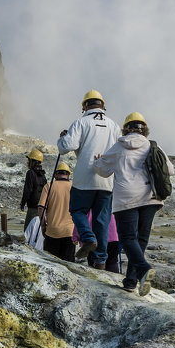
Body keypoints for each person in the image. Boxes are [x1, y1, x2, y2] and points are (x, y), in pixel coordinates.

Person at [94, 112, 173, 295]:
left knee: (128, 239)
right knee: (141, 239)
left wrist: (97, 161)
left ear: (126, 128)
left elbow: (103, 171)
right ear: (144, 128)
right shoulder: (153, 146)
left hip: (126, 199)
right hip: (151, 197)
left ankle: (144, 270)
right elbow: (170, 170)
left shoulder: (119, 147)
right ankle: (131, 281)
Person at [58, 90, 119, 268]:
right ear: (102, 105)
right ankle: (100, 262)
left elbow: (67, 146)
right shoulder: (114, 125)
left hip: (84, 179)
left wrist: (63, 138)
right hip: (106, 181)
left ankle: (88, 237)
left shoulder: (81, 122)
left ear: (84, 106)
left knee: (77, 210)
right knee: (102, 220)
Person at [37, 164, 75, 261]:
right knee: (69, 266)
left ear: (55, 174)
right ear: (68, 175)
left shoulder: (49, 186)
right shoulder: (74, 187)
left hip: (52, 232)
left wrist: (43, 226)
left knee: (51, 264)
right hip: (69, 232)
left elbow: (41, 208)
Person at [19, 149, 47, 230]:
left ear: (32, 161)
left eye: (29, 160)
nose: (27, 162)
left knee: (28, 230)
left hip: (33, 207)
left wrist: (23, 204)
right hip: (42, 207)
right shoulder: (43, 175)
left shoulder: (30, 173)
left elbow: (27, 190)